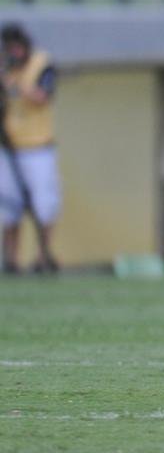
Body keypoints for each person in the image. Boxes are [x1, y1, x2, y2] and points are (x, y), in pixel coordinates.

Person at [0, 23, 61, 275]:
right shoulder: (5, 67)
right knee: (8, 206)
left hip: (38, 147)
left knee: (44, 205)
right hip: (8, 147)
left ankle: (42, 256)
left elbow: (42, 96)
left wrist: (13, 84)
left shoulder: (41, 64)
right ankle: (11, 259)